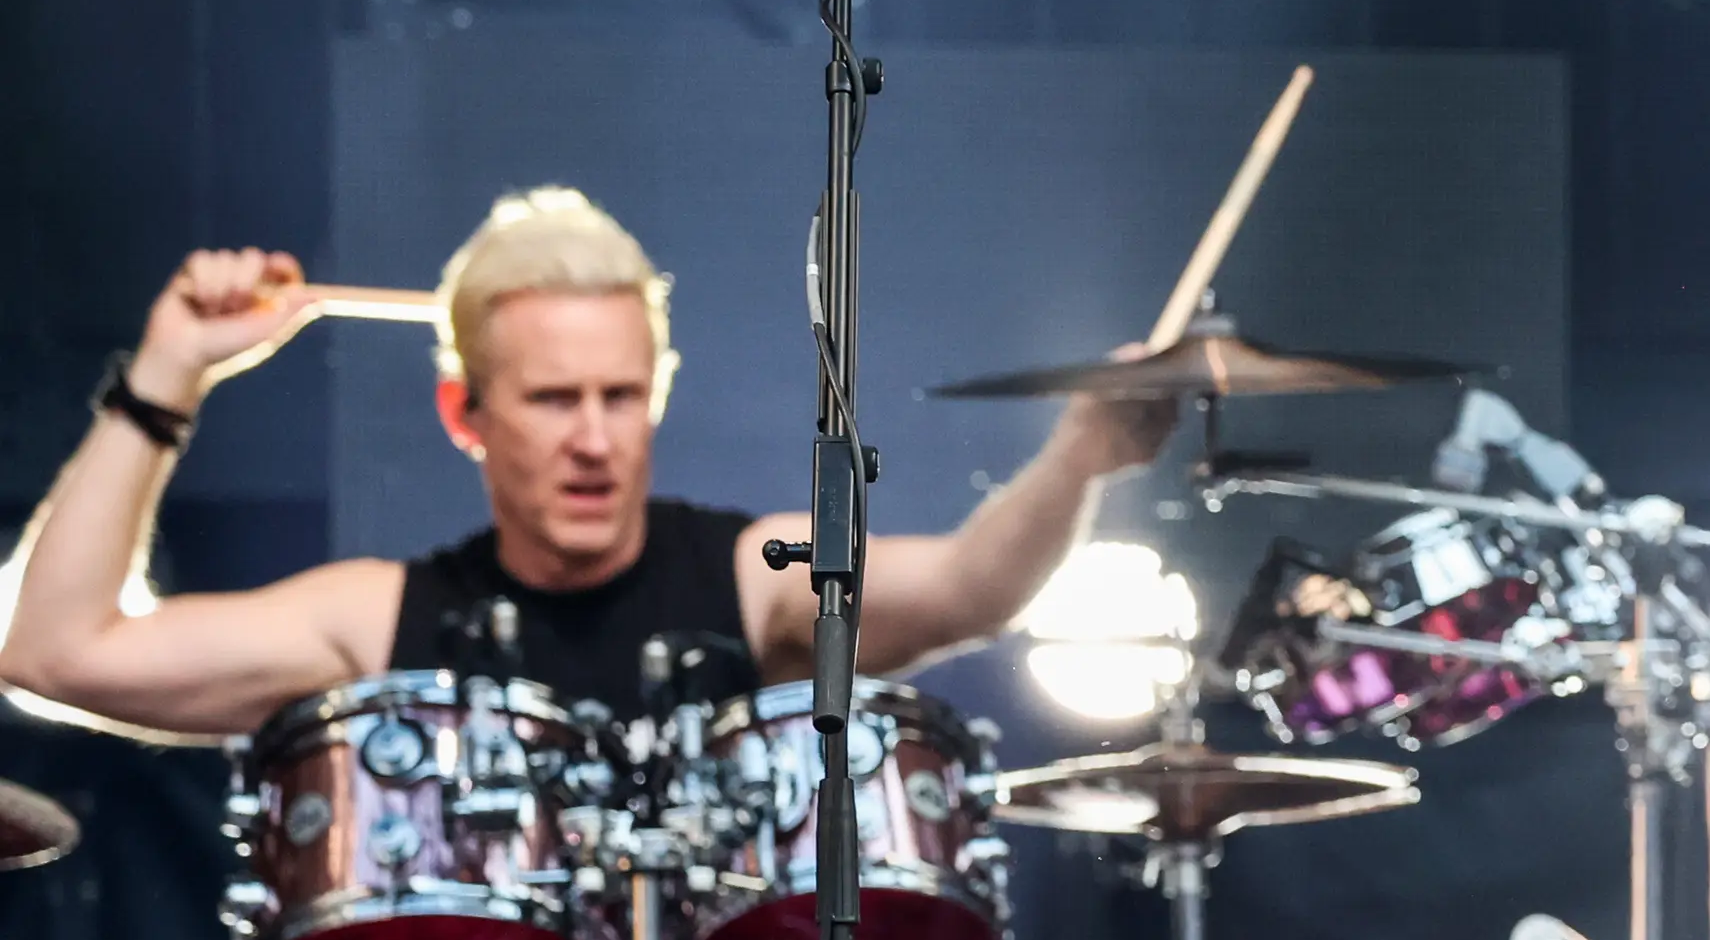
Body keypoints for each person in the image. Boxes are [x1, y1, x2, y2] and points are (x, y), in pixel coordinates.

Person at [0, 186, 1166, 735]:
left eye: (621, 394)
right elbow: (54, 652)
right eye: (554, 399)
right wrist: (166, 379)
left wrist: (1082, 454)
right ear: (468, 415)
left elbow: (970, 585)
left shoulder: (758, 563)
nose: (595, 436)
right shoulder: (376, 619)